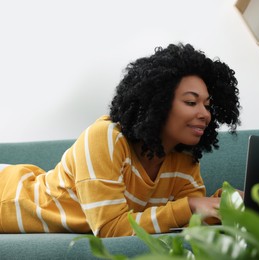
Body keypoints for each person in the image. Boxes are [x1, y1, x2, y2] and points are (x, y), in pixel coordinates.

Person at [0, 43, 241, 237]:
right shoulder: (105, 138)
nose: (205, 114)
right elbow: (110, 228)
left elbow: (189, 222)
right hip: (8, 194)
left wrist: (226, 204)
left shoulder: (184, 161)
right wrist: (190, 205)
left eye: (207, 105)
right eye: (191, 102)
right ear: (157, 102)